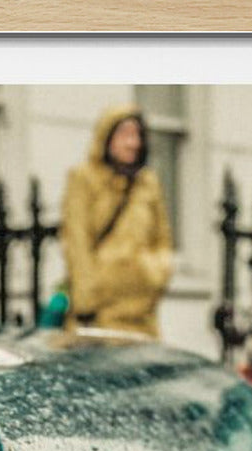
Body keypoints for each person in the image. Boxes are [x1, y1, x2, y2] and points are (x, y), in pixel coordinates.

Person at [60, 104, 174, 338]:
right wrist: (86, 303)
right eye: (124, 134)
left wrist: (157, 272)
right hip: (101, 314)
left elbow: (162, 238)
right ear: (106, 137)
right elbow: (77, 242)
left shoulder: (148, 182)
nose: (132, 143)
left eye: (137, 134)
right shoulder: (83, 178)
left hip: (143, 315)